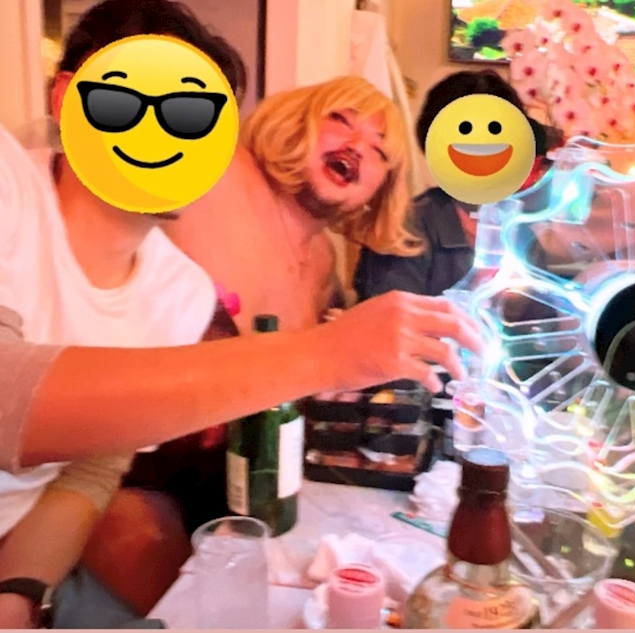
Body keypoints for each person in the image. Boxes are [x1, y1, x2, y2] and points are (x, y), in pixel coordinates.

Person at [0, 1, 480, 628]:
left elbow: (88, 468)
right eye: (339, 120)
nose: (166, 136)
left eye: (193, 118)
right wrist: (320, 355)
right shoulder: (14, 186)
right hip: (163, 488)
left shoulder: (179, 290)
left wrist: (19, 595)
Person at [165, 75, 423, 332]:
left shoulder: (323, 263)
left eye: (378, 150)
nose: (357, 147)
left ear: (382, 190)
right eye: (341, 120)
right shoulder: (215, 169)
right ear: (295, 120)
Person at [352, 70, 549, 302]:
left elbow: (542, 315)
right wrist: (472, 294)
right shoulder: (407, 226)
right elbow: (387, 316)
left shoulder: (520, 230)